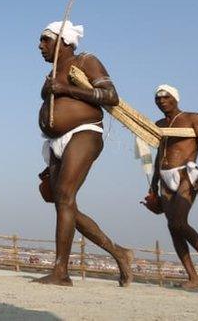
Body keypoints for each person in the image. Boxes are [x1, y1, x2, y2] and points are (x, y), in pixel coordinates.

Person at [36, 20, 133, 286]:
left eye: (46, 39)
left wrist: (67, 88)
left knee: (65, 197)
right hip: (55, 141)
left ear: (64, 41)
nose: (40, 46)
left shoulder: (86, 60)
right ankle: (119, 253)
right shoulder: (53, 71)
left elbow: (111, 95)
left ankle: (61, 271)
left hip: (85, 132)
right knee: (64, 204)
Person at [150, 84, 198, 288]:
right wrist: (154, 183)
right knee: (173, 227)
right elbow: (159, 153)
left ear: (175, 98)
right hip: (164, 177)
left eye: (166, 96)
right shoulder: (159, 123)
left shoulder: (193, 118)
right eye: (158, 98)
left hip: (185, 175)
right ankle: (193, 277)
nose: (162, 100)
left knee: (179, 222)